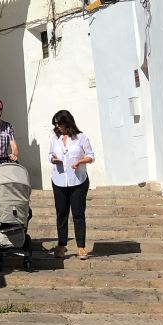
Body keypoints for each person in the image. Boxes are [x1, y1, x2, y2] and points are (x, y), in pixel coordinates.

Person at [48, 109, 95, 260]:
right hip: (59, 180)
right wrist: (53, 159)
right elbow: (50, 154)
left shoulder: (81, 138)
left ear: (67, 122)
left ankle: (81, 247)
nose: (57, 127)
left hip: (78, 181)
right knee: (61, 214)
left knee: (78, 214)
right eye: (56, 124)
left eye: (60, 124)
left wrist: (80, 161)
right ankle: (62, 245)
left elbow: (91, 156)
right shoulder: (55, 138)